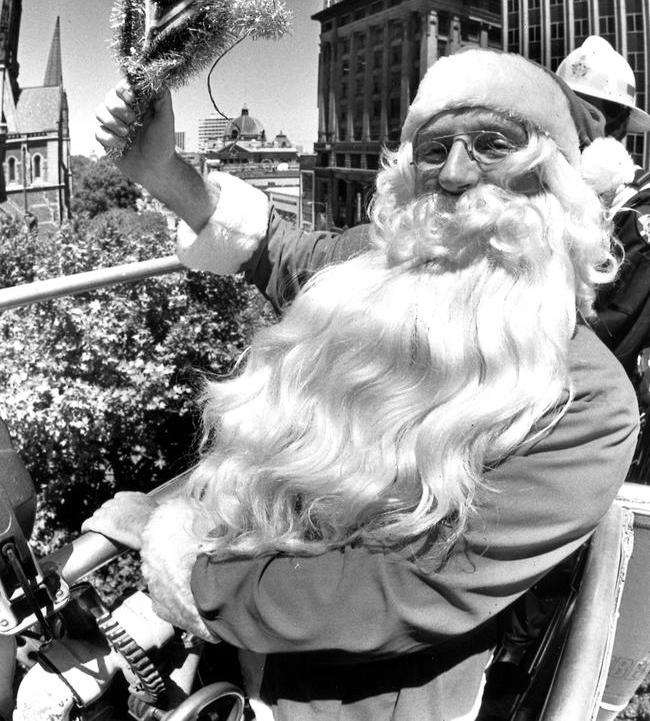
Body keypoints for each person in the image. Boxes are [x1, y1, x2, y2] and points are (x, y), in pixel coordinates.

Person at [87, 49, 637, 721]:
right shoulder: (378, 275)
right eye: (434, 150)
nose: (456, 175)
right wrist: (161, 171)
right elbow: (280, 251)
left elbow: (403, 590)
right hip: (235, 641)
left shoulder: (590, 403)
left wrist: (193, 576)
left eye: (492, 145)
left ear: (551, 178)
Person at [558, 36, 650, 480]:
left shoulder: (639, 220)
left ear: (614, 133)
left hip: (586, 432)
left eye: (590, 118)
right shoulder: (553, 199)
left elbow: (610, 334)